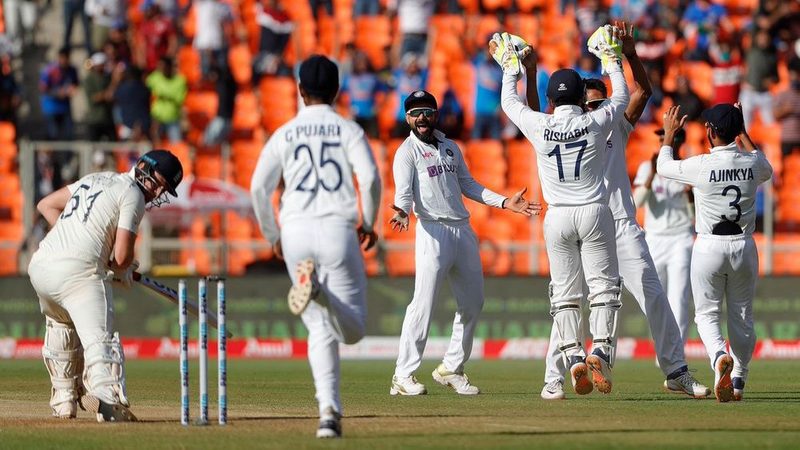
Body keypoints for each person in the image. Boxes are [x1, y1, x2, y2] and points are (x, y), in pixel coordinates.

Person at [536, 23, 709, 400]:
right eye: (591, 104)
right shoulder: (577, 128)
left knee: (654, 295)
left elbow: (643, 91)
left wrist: (629, 53)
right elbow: (538, 119)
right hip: (584, 225)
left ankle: (676, 371)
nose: (598, 109)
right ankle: (555, 376)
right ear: (580, 106)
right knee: (569, 302)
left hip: (619, 225)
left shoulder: (616, 124)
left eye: (603, 103)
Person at [250, 55, 381, 438]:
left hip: (295, 231)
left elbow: (258, 188)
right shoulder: (349, 130)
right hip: (338, 227)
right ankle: (320, 294)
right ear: (337, 90)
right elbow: (370, 178)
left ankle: (328, 413)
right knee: (353, 332)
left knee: (318, 327)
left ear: (300, 90)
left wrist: (273, 235)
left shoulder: (285, 133)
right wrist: (369, 222)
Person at [497, 27, 628, 396]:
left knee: (565, 294)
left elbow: (510, 103)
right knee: (603, 288)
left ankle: (572, 357)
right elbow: (621, 96)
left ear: (552, 101)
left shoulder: (541, 124)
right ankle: (600, 349)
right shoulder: (595, 120)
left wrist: (511, 68)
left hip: (557, 217)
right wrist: (611, 59)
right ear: (582, 98)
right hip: (594, 211)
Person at [388, 89, 540, 397]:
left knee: (473, 302)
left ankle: (451, 368)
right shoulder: (407, 152)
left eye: (427, 112)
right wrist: (402, 210)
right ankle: (402, 375)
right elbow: (403, 192)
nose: (422, 118)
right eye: (415, 113)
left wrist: (504, 202)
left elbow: (468, 184)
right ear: (407, 118)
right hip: (433, 231)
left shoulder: (450, 146)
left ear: (435, 115)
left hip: (462, 229)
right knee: (423, 304)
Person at [28, 149, 184, 421]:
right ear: (143, 166)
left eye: (165, 190)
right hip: (78, 274)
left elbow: (45, 205)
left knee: (62, 325)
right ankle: (107, 398)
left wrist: (71, 236)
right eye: (158, 183)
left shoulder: (96, 178)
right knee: (100, 341)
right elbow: (122, 257)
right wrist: (122, 268)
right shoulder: (133, 194)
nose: (158, 192)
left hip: (42, 267)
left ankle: (64, 400)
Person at [657, 103, 773, 402]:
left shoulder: (701, 165)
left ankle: (720, 355)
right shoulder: (753, 163)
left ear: (710, 132)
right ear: (737, 132)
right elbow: (767, 167)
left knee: (706, 315)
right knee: (742, 316)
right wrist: (743, 132)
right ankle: (739, 378)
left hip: (708, 246)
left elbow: (663, 167)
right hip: (743, 245)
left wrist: (669, 134)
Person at [633, 128, 694, 345]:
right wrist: (651, 174)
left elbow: (694, 216)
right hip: (655, 239)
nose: (662, 143)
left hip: (681, 239)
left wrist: (690, 195)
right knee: (655, 298)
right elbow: (637, 202)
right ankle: (662, 350)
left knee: (679, 299)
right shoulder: (646, 167)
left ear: (679, 141)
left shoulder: (687, 168)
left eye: (667, 138)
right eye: (660, 139)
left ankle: (676, 355)